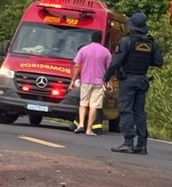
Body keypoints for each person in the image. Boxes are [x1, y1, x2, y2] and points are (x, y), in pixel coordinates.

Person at [103, 12, 164, 154]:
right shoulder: (151, 43)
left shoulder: (126, 41)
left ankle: (128, 142)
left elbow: (116, 62)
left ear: (132, 27)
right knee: (139, 112)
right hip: (142, 80)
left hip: (128, 80)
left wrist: (106, 76)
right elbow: (158, 62)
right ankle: (142, 144)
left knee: (126, 110)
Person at [69, 30, 112, 136]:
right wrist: (109, 83)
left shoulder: (84, 50)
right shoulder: (106, 51)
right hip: (99, 82)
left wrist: (73, 81)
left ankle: (80, 125)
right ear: (101, 39)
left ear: (91, 38)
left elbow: (76, 65)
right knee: (94, 105)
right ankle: (89, 129)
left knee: (83, 103)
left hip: (86, 81)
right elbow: (109, 68)